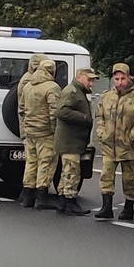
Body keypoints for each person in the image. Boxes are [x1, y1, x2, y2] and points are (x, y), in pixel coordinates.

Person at [94, 62, 134, 221]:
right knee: (106, 176)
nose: (120, 82)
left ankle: (128, 208)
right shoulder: (106, 97)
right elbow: (99, 116)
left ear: (129, 77)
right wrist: (101, 133)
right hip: (109, 145)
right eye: (117, 78)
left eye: (123, 78)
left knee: (129, 179)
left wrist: (132, 135)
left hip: (129, 147)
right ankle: (106, 207)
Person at [53, 67, 97, 216]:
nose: (91, 83)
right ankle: (70, 201)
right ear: (79, 77)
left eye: (92, 80)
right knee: (72, 172)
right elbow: (62, 111)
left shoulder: (78, 92)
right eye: (89, 79)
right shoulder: (72, 92)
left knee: (67, 172)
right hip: (69, 141)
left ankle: (62, 201)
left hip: (72, 140)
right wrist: (84, 118)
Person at [21, 58, 62, 210]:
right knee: (46, 162)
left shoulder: (28, 86)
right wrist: (55, 130)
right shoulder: (52, 87)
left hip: (30, 130)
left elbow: (21, 109)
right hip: (45, 132)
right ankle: (42, 197)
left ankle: (27, 196)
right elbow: (54, 112)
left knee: (31, 162)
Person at [14, 54, 47, 207]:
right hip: (35, 128)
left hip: (28, 127)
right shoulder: (31, 81)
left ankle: (27, 194)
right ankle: (36, 195)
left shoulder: (27, 79)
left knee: (32, 161)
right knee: (41, 161)